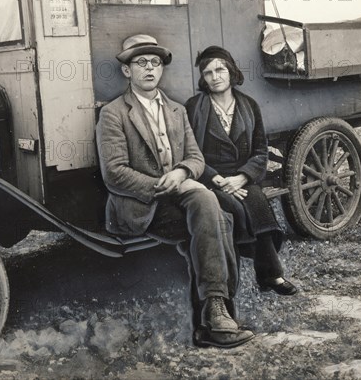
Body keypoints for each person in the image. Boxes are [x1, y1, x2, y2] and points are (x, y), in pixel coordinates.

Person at [96, 34, 254, 348]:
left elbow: (195, 158)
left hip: (179, 192)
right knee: (218, 218)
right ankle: (217, 314)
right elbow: (114, 174)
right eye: (140, 62)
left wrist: (181, 172)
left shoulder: (176, 111)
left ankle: (212, 314)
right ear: (127, 71)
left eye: (155, 62)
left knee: (211, 207)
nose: (149, 68)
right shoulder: (113, 113)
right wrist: (161, 184)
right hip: (140, 206)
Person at [185, 46, 297, 296]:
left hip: (241, 177)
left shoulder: (249, 105)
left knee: (258, 204)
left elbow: (260, 150)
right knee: (235, 208)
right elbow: (189, 151)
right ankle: (233, 279)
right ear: (203, 79)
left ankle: (271, 276)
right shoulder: (193, 107)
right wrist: (215, 178)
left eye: (220, 69)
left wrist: (242, 177)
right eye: (208, 73)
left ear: (231, 71)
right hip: (210, 178)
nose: (215, 76)